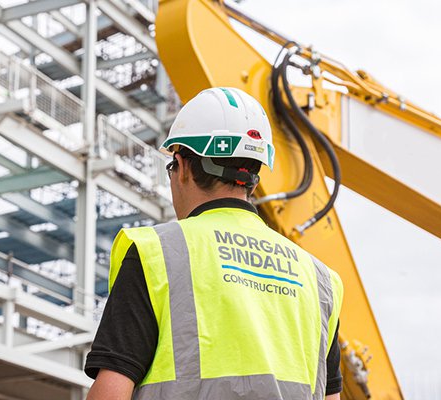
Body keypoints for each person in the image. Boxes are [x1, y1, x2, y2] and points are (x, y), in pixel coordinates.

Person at [84, 87, 344, 400]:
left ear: (181, 167)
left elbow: (111, 392)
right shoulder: (319, 280)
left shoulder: (156, 253)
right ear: (253, 177)